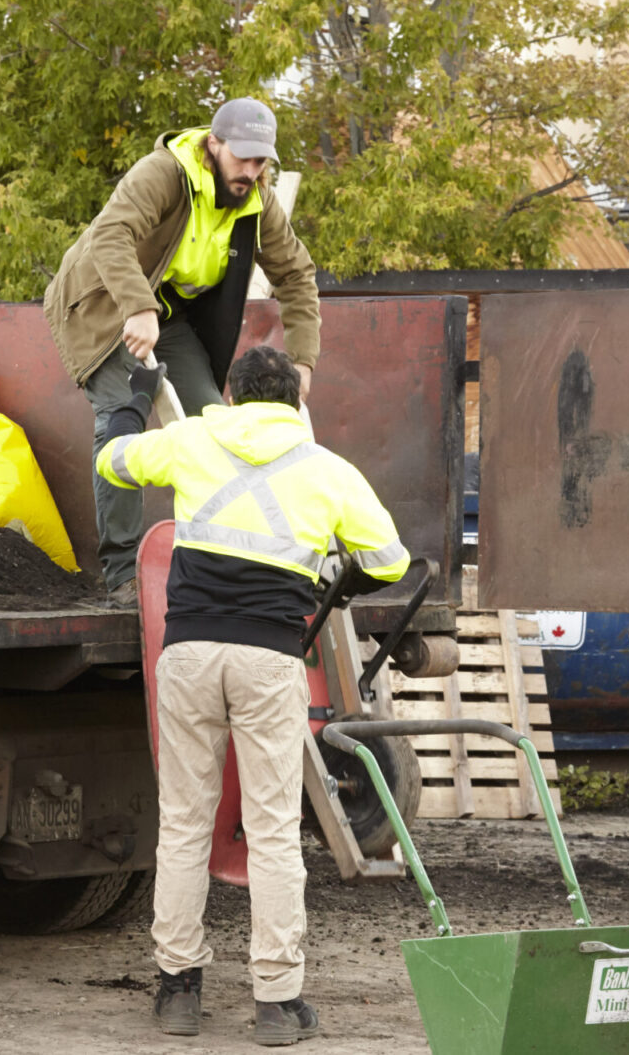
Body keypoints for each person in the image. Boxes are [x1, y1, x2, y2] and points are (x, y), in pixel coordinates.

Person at [95, 346, 409, 1047]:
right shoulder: (327, 469)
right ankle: (276, 1002)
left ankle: (178, 991)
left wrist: (137, 393)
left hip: (190, 654)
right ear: (295, 400)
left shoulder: (193, 438)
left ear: (231, 397)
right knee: (270, 829)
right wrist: (337, 576)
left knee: (184, 823)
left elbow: (112, 461)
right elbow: (388, 558)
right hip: (269, 659)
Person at [45, 97, 324, 608]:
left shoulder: (258, 199)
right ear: (213, 144)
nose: (251, 171)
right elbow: (111, 234)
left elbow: (297, 277)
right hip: (103, 305)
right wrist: (136, 307)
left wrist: (303, 361)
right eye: (241, 158)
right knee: (120, 425)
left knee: (213, 424)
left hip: (165, 311)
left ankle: (219, 562)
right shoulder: (164, 174)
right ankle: (122, 576)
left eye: (262, 161)